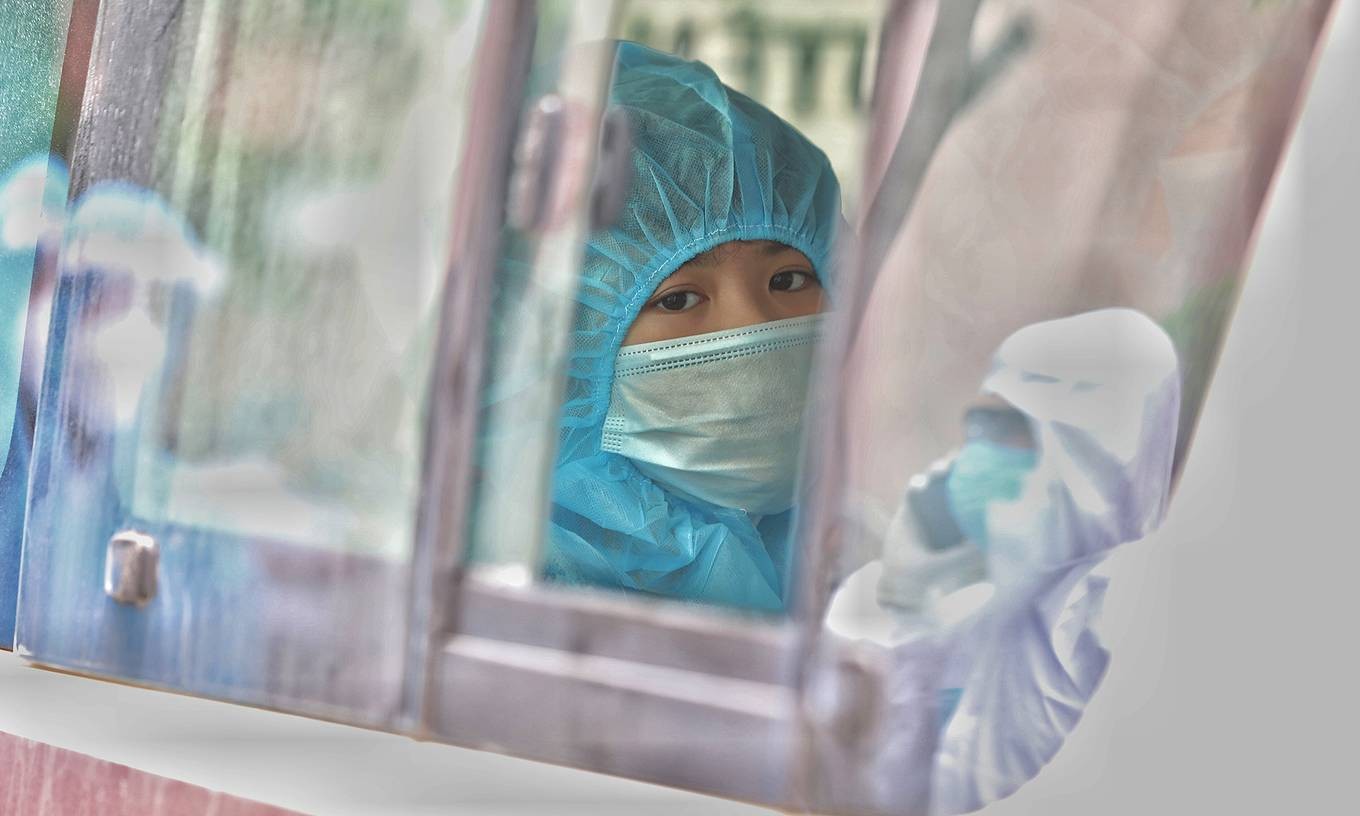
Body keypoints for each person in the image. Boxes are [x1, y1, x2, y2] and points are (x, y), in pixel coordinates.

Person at [541, 42, 840, 613]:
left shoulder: (871, 540)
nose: (751, 325)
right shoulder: (525, 590)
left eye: (789, 281)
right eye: (678, 298)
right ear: (561, 344)